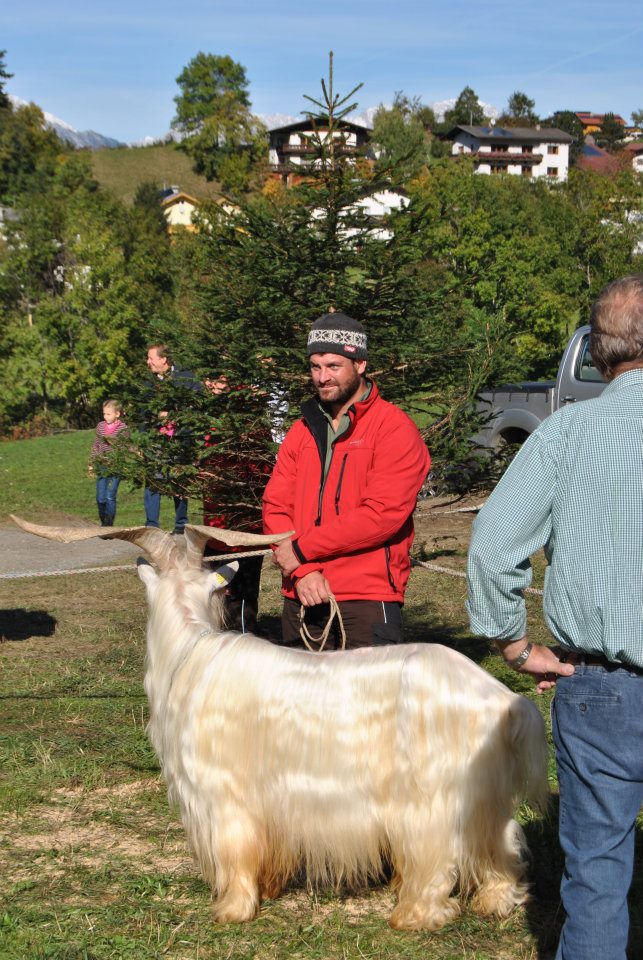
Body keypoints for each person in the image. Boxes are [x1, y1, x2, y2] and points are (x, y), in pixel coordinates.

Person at [466, 274, 643, 960]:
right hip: (599, 681)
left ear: (596, 353)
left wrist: (512, 644)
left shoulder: (565, 432)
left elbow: (490, 544)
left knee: (596, 874)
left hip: (598, 686)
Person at [263, 311, 431, 649]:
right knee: (300, 703)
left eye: (333, 366)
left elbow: (381, 515)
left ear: (361, 365)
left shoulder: (394, 429)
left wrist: (301, 550)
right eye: (315, 366)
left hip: (366, 596)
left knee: (372, 703)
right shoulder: (301, 431)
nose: (322, 377)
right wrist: (302, 571)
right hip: (303, 593)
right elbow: (276, 505)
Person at [144, 344, 201, 535]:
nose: (148, 362)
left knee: (179, 481)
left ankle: (180, 525)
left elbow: (198, 404)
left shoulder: (187, 378)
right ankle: (151, 526)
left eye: (151, 358)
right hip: (156, 441)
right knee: (153, 481)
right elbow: (141, 412)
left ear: (164, 359)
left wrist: (177, 416)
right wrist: (154, 419)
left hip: (181, 439)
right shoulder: (147, 384)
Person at [88, 399, 128, 527]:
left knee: (110, 496)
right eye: (104, 414)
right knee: (100, 498)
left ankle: (108, 526)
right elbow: (96, 445)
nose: (105, 417)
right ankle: (103, 521)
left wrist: (115, 460)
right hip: (101, 465)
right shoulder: (100, 426)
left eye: (108, 414)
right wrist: (92, 463)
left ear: (117, 414)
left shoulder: (123, 428)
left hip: (115, 466)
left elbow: (123, 448)